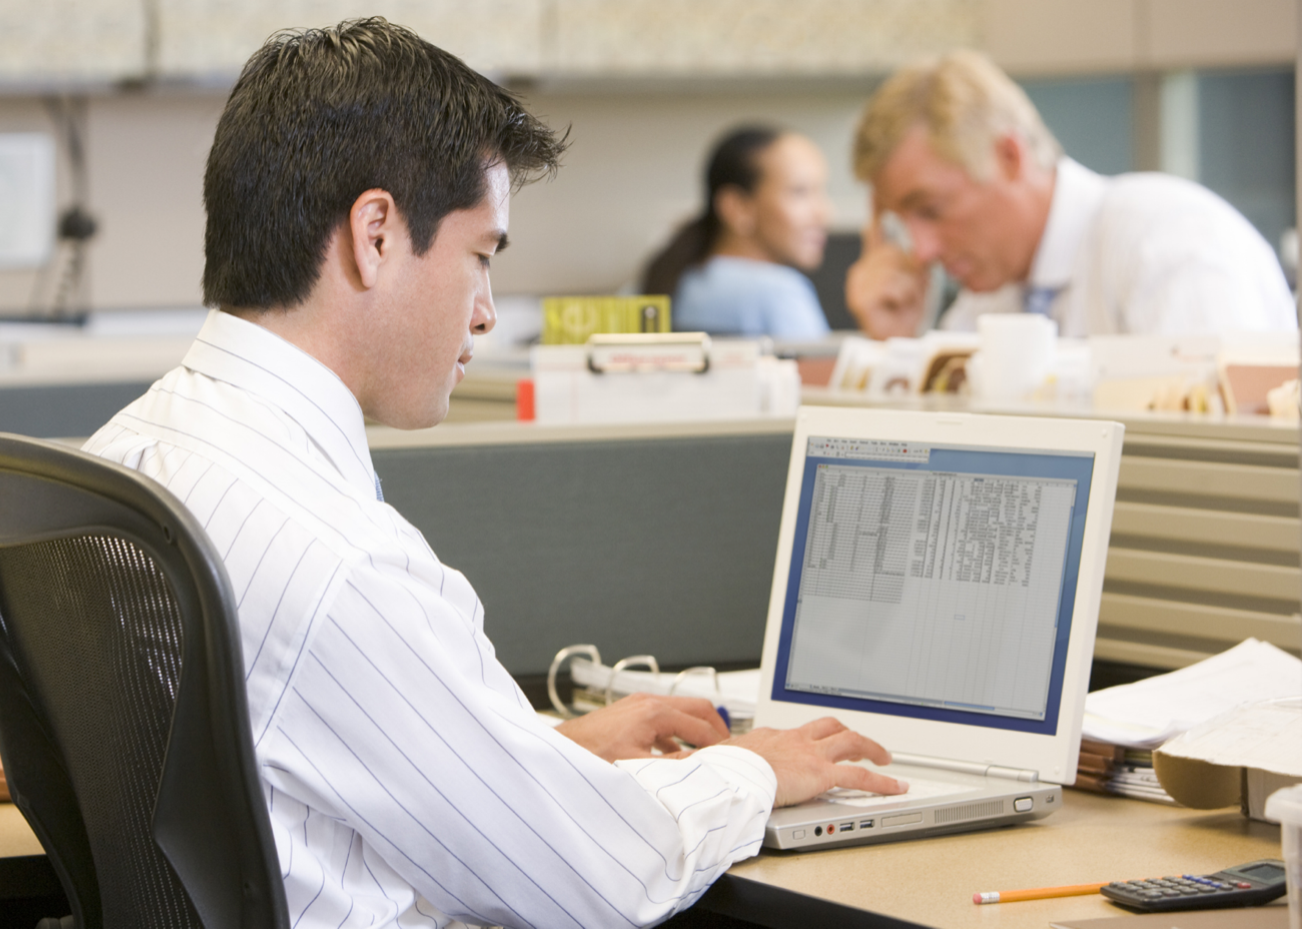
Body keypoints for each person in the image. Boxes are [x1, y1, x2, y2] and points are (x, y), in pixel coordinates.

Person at [86, 19, 903, 928]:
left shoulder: (132, 450)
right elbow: (599, 878)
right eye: (481, 255)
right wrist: (754, 767)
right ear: (376, 234)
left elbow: (287, 754)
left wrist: (537, 752)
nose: (484, 314)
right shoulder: (339, 561)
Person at [845, 50, 1296, 339]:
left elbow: (1214, 460)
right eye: (904, 225)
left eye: (931, 210)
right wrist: (898, 347)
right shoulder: (986, 303)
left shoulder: (1165, 240)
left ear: (1009, 156)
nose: (921, 251)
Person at [641, 126, 833, 340]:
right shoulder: (780, 293)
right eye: (800, 192)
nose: (823, 213)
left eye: (821, 191)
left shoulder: (664, 279)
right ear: (736, 207)